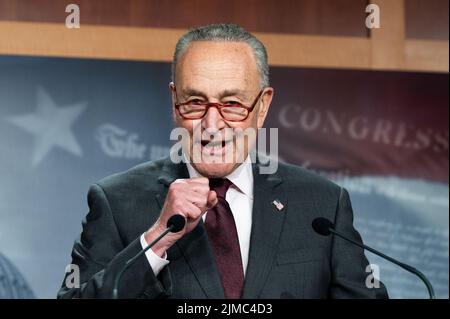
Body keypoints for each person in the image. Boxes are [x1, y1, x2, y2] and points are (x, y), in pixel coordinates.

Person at [58, 23, 388, 299]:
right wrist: (155, 241)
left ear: (262, 106)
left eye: (232, 104)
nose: (212, 125)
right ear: (175, 102)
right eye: (195, 102)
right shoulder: (117, 202)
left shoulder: (321, 204)